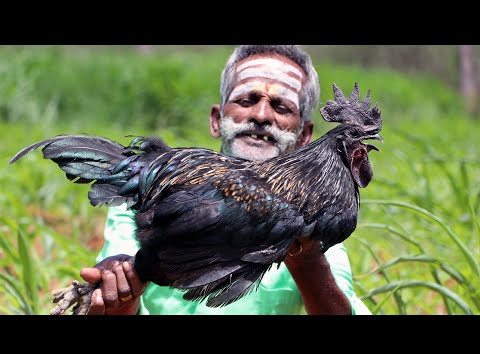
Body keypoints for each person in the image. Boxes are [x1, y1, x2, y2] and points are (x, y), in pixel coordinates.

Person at [80, 45, 372, 315]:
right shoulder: (153, 195)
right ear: (216, 119)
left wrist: (307, 258)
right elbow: (116, 291)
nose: (261, 115)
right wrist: (119, 290)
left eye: (281, 107)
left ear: (305, 136)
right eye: (247, 99)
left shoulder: (314, 227)